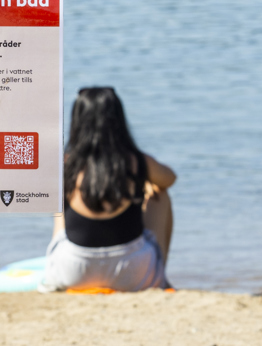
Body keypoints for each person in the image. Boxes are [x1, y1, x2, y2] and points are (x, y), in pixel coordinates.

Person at [40, 87, 176, 293]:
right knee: (160, 195)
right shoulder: (136, 161)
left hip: (73, 272)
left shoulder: (66, 164)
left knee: (58, 199)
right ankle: (159, 278)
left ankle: (55, 271)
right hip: (131, 273)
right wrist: (145, 179)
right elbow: (170, 178)